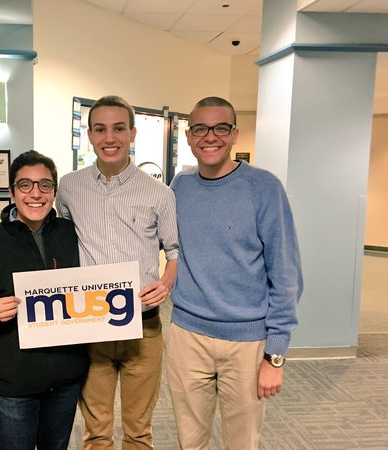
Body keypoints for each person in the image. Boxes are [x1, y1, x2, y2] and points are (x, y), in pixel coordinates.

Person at [166, 96, 304, 449]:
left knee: (242, 442)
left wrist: (276, 354)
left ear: (234, 135)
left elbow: (286, 275)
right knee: (189, 440)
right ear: (188, 135)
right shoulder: (180, 187)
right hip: (187, 336)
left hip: (247, 342)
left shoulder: (263, 188)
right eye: (200, 128)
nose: (210, 137)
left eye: (220, 128)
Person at [56, 95, 179, 449]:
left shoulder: (159, 193)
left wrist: (167, 281)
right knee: (96, 433)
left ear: (133, 133)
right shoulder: (69, 187)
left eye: (119, 128)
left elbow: (174, 251)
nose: (110, 138)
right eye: (100, 129)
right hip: (91, 324)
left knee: (139, 432)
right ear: (90, 135)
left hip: (144, 325)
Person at [0, 150, 89, 450]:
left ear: (55, 192)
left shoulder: (73, 235)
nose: (36, 194)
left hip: (66, 373)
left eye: (45, 185)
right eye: (25, 185)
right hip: (15, 377)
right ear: (11, 192)